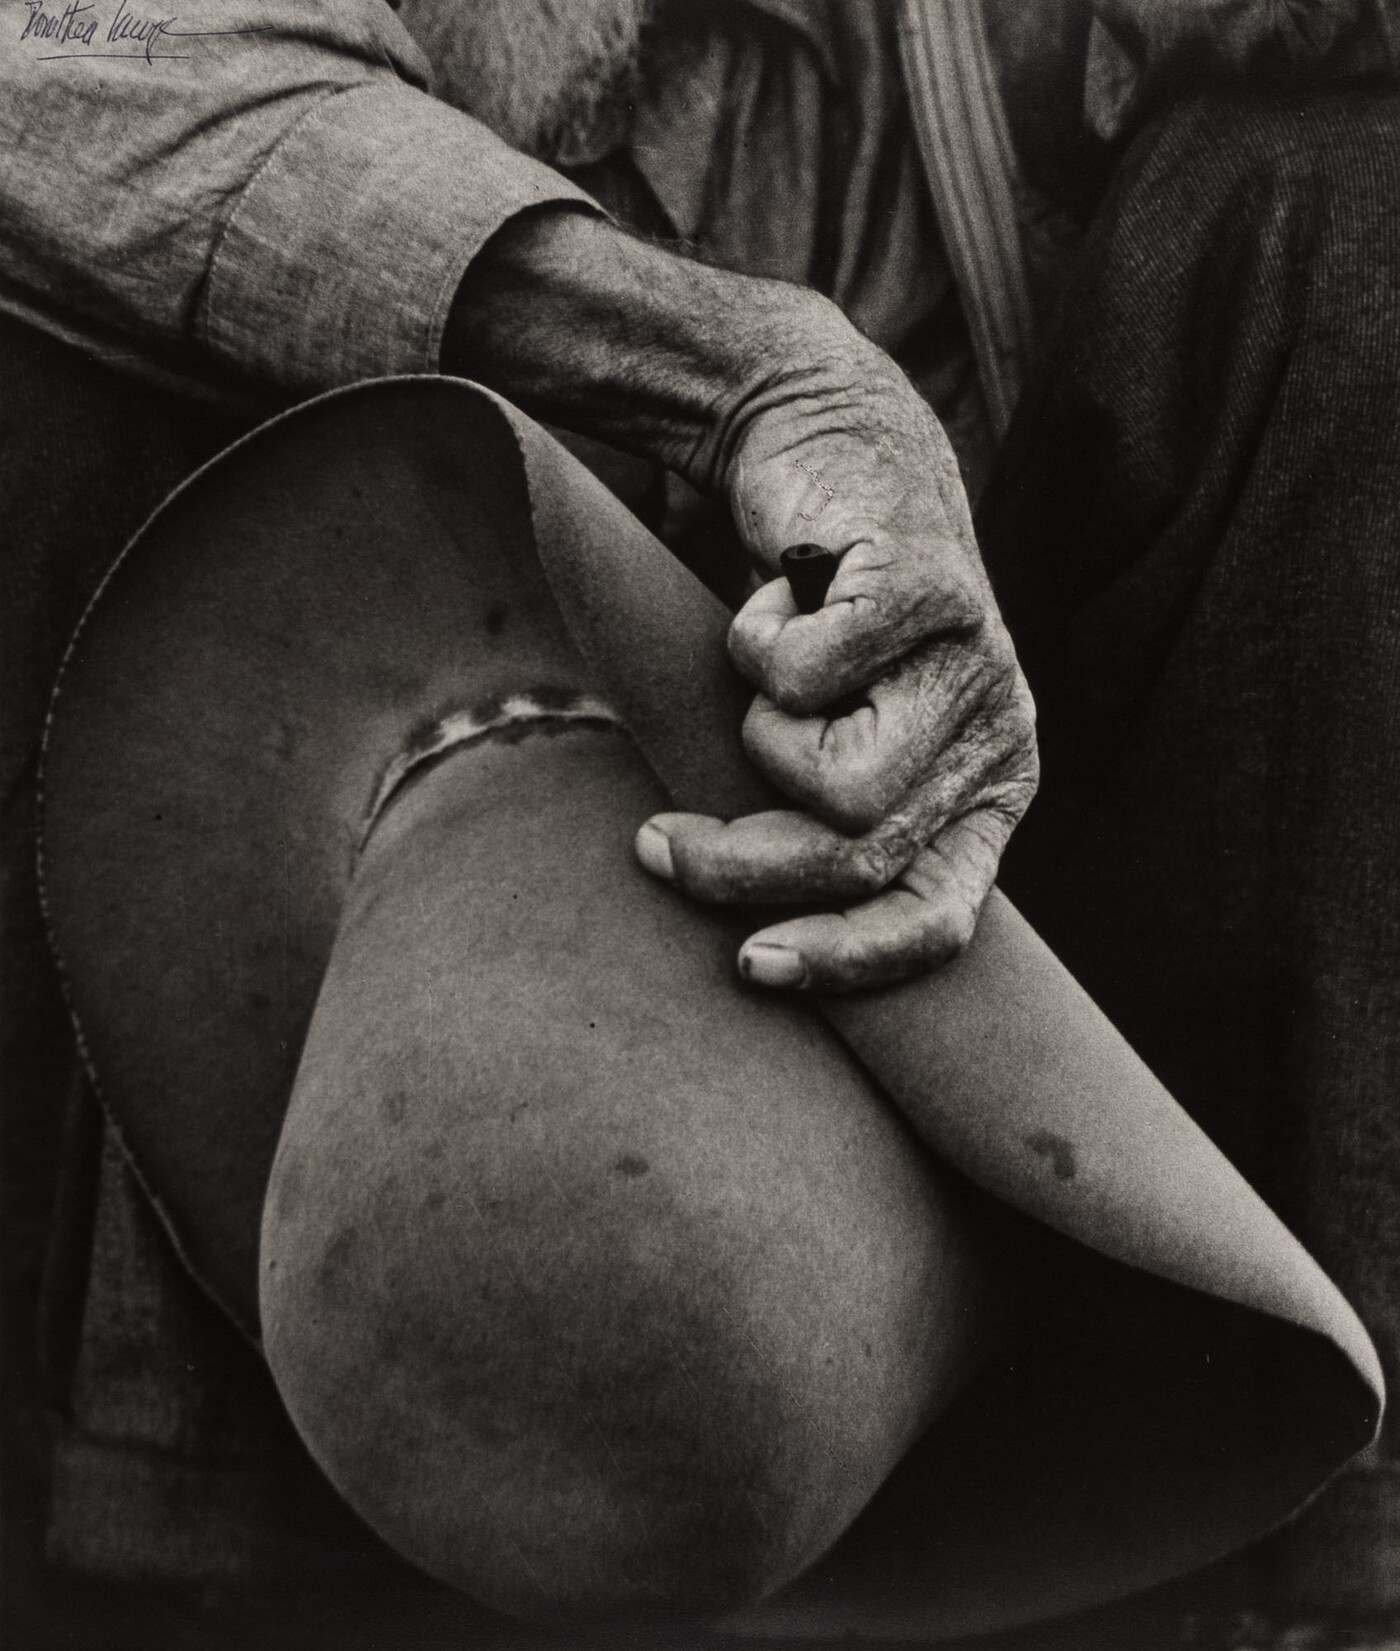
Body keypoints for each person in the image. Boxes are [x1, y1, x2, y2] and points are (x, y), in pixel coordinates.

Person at [0, 0, 1397, 1642]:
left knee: (1348, 199)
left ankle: (1320, 1538)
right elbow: (59, 77)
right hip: (377, 814)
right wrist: (746, 376)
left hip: (1004, 927)